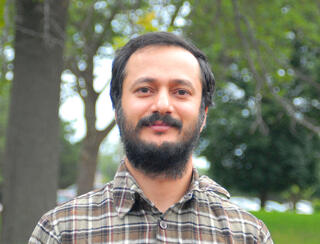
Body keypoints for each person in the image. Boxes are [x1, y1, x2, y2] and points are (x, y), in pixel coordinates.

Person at [29, 32, 273, 244]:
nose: (163, 105)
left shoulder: (248, 235)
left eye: (181, 92)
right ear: (117, 109)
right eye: (145, 89)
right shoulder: (60, 231)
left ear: (203, 115)